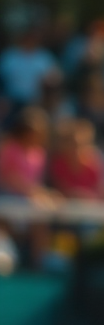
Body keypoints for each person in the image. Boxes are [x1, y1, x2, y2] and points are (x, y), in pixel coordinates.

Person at [0, 107, 57, 269]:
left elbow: (35, 182)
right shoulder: (9, 148)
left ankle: (38, 263)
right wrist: (37, 193)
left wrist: (41, 194)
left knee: (41, 222)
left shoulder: (40, 153)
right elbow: (10, 178)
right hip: (6, 197)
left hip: (27, 200)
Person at [0, 28, 59, 123]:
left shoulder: (44, 58)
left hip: (34, 102)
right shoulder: (9, 56)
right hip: (9, 101)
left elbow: (54, 81)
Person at [48, 118, 104, 202]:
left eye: (79, 144)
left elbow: (100, 192)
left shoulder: (94, 165)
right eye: (70, 143)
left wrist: (86, 197)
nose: (75, 148)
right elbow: (60, 190)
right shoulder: (58, 164)